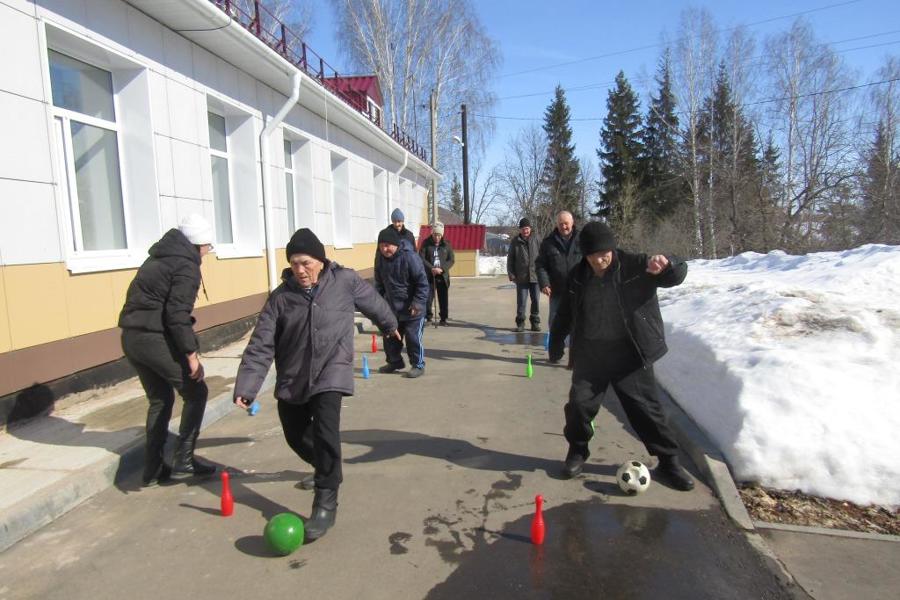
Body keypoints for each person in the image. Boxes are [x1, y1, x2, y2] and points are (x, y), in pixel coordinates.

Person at [233, 228, 399, 541]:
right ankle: (326, 468)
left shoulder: (345, 281)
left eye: (306, 262)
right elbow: (261, 345)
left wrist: (390, 326)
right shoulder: (280, 298)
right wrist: (247, 385)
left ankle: (325, 501)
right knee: (295, 434)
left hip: (331, 370)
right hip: (294, 376)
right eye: (294, 264)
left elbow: (373, 302)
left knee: (325, 432)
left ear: (320, 261)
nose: (300, 270)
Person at [549, 221, 695, 491]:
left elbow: (675, 275)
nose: (600, 259)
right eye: (593, 255)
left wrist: (669, 264)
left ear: (613, 248)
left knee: (646, 411)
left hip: (629, 353)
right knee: (579, 406)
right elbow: (566, 312)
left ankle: (669, 461)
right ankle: (578, 451)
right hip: (592, 353)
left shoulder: (636, 265)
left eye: (605, 252)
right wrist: (556, 341)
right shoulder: (578, 275)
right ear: (585, 255)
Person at [119, 214, 217, 487]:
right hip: (152, 339)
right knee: (196, 391)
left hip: (131, 338)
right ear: (199, 244)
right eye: (209, 246)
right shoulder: (186, 266)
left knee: (160, 400)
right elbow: (176, 314)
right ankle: (184, 458)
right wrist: (191, 355)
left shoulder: (159, 257)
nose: (209, 251)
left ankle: (152, 470)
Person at [374, 227, 430, 378]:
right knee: (390, 336)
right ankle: (395, 362)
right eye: (381, 246)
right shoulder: (380, 258)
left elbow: (423, 283)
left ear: (396, 244)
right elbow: (379, 284)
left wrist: (417, 303)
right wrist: (379, 305)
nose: (384, 249)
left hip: (413, 308)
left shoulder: (409, 256)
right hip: (392, 307)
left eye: (387, 245)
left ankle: (418, 365)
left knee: (412, 337)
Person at [536, 211, 581, 344]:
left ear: (572, 223)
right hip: (557, 291)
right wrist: (544, 283)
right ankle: (555, 350)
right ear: (557, 224)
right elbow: (540, 265)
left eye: (566, 223)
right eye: (561, 224)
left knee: (578, 323)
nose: (564, 227)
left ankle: (575, 354)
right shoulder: (548, 243)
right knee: (555, 323)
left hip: (578, 290)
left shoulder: (582, 240)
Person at [506, 217, 541, 332]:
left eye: (527, 228)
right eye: (523, 229)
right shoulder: (515, 242)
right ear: (520, 230)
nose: (525, 231)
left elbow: (543, 257)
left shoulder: (536, 239)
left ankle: (535, 322)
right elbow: (510, 259)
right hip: (521, 278)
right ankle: (520, 323)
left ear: (530, 229)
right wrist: (511, 274)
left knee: (535, 300)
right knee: (521, 302)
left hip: (535, 277)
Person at [419, 221, 455, 326]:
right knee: (428, 297)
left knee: (443, 298)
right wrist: (431, 268)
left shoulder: (446, 244)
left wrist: (442, 269)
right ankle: (428, 317)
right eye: (435, 235)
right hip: (430, 275)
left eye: (439, 235)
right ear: (432, 233)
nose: (437, 237)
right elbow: (421, 258)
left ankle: (443, 318)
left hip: (442, 275)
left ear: (442, 235)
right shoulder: (426, 243)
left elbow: (451, 260)